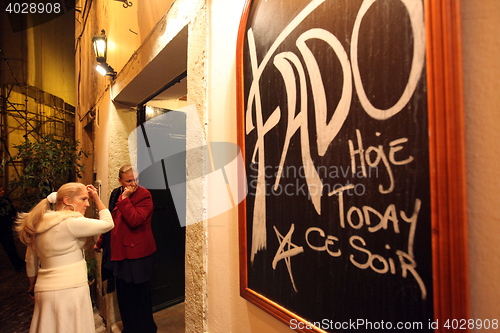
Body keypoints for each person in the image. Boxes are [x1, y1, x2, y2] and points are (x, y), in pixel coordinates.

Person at [15, 182, 113, 333]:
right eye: (83, 199)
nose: (87, 204)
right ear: (67, 201)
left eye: (88, 199)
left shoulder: (37, 224)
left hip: (44, 288)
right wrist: (97, 199)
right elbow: (108, 224)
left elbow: (31, 260)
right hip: (70, 289)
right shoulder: (71, 222)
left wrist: (32, 285)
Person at [95, 165, 157, 333]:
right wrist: (101, 241)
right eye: (129, 181)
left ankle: (146, 329)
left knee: (140, 296)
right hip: (120, 254)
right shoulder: (116, 193)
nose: (133, 184)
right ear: (120, 180)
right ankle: (130, 329)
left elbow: (135, 220)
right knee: (124, 296)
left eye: (136, 179)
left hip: (138, 255)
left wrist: (126, 199)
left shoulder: (144, 195)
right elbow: (112, 221)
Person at [0, 184, 25, 271]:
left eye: (2, 190)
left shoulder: (6, 201)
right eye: (0, 191)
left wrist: (12, 218)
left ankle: (18, 264)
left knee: (10, 248)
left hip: (5, 228)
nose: (3, 191)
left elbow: (12, 211)